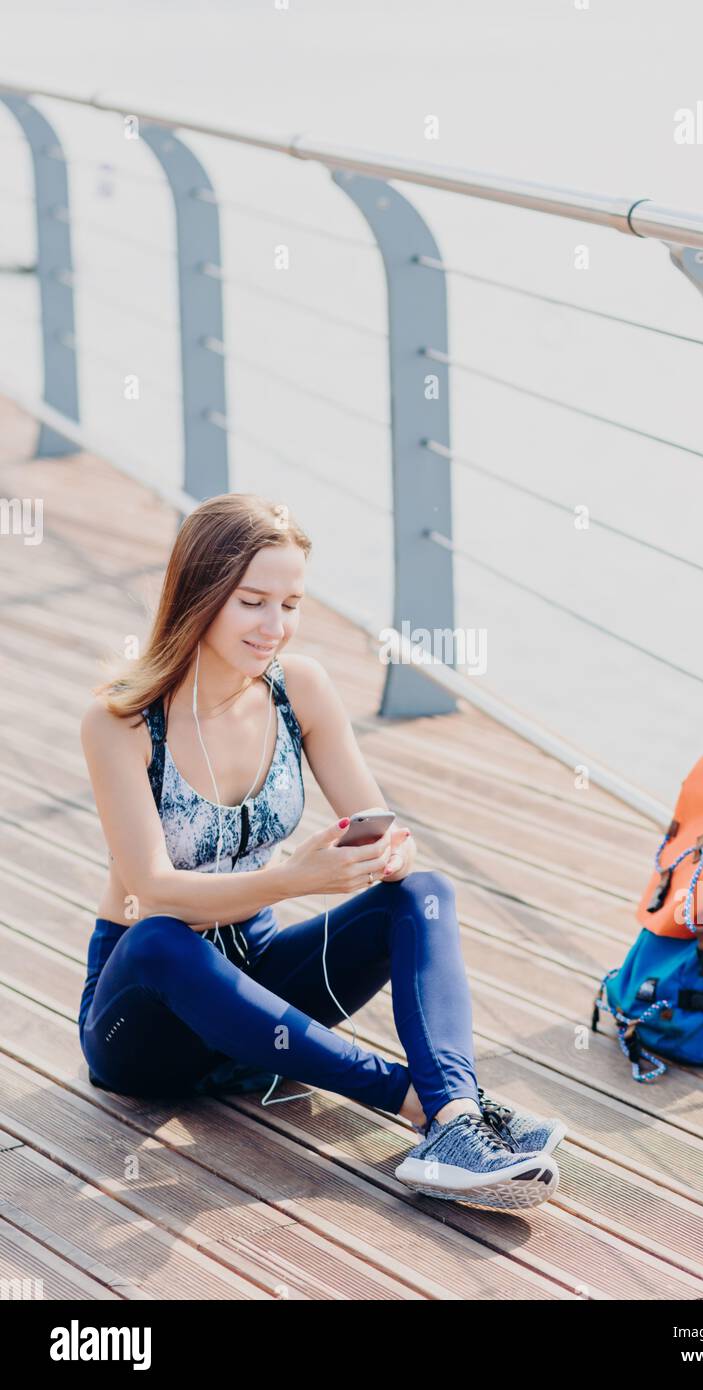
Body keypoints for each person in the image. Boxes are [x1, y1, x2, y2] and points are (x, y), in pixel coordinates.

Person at [78, 492, 564, 1211]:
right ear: (201, 593)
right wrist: (292, 878)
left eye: (292, 604)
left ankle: (457, 1119)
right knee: (158, 941)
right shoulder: (120, 719)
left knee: (424, 892)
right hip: (148, 1027)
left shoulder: (297, 689)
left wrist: (388, 854)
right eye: (253, 602)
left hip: (260, 989)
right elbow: (154, 889)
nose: (276, 626)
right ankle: (416, 1103)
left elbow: (375, 822)